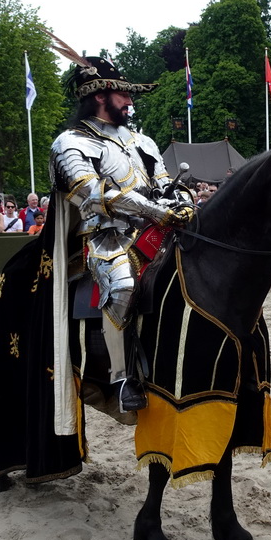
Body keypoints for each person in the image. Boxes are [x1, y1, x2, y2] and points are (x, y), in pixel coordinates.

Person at [49, 53, 194, 412]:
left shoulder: (142, 141)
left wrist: (181, 200)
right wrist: (152, 209)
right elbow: (91, 194)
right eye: (124, 95)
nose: (130, 102)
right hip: (104, 234)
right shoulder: (70, 142)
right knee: (123, 287)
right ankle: (122, 377)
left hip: (156, 229)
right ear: (100, 95)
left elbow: (163, 181)